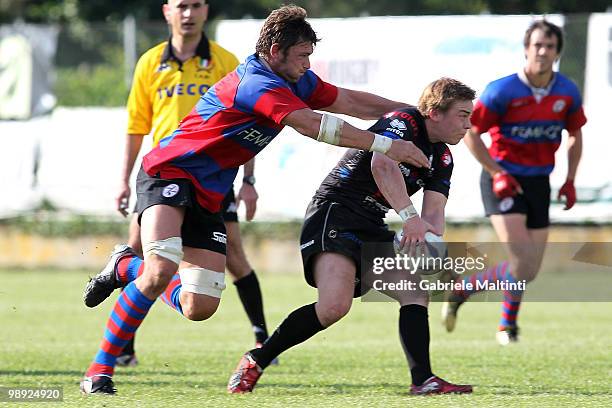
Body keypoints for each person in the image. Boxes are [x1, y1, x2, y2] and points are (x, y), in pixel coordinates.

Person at [79, 5, 430, 395]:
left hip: (211, 193)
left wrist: (409, 112)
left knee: (200, 307)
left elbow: (346, 100)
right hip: (170, 172)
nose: (308, 64)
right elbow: (315, 125)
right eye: (303, 56)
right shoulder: (256, 83)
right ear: (276, 51)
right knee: (161, 268)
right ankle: (99, 371)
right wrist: (387, 144)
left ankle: (127, 267)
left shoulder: (295, 78)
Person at [227, 77, 476, 395]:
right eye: (462, 115)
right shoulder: (404, 123)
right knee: (334, 307)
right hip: (335, 211)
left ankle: (423, 380)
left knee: (414, 292)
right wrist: (410, 218)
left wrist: (426, 242)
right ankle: (257, 360)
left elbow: (433, 217)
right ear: (435, 112)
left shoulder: (442, 157)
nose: (468, 125)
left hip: (371, 222)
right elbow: (382, 164)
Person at [83, 0, 275, 369]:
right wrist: (123, 180)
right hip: (163, 175)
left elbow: (249, 124)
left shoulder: (224, 60)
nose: (188, 14)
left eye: (196, 5)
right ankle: (120, 350)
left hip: (213, 175)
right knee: (144, 253)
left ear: (206, 11)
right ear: (166, 11)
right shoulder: (150, 62)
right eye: (181, 6)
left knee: (234, 255)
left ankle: (261, 337)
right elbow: (137, 125)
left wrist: (249, 179)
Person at [442, 20, 586, 345]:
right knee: (520, 259)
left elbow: (575, 134)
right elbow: (471, 132)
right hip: (502, 179)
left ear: (557, 52)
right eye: (537, 45)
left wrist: (570, 180)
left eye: (549, 46)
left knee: (529, 269)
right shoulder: (502, 90)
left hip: (538, 182)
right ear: (526, 49)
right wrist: (497, 173)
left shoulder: (566, 91)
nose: (543, 52)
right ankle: (507, 326)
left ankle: (464, 288)